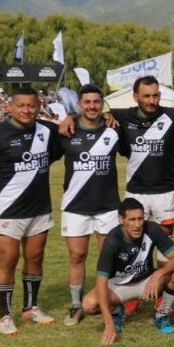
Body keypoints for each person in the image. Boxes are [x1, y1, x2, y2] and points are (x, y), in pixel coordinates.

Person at [0, 86, 63, 335]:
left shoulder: (47, 130)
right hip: (8, 209)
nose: (26, 110)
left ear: (38, 107)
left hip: (39, 208)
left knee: (35, 258)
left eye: (31, 105)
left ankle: (30, 308)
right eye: (21, 105)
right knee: (8, 259)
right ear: (9, 107)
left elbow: (73, 126)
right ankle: (4, 316)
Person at [58, 84, 127, 326]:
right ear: (79, 105)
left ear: (102, 104)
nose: (92, 106)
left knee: (108, 256)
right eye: (86, 102)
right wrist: (70, 117)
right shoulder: (67, 131)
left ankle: (113, 303)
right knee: (77, 255)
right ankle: (76, 305)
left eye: (96, 102)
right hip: (75, 205)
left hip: (108, 206)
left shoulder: (114, 129)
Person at [84, 198, 174, 344]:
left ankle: (162, 315)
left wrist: (158, 274)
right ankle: (117, 312)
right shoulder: (112, 240)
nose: (137, 225)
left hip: (146, 282)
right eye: (132, 220)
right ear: (120, 220)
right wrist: (108, 323)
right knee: (89, 304)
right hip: (118, 286)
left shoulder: (152, 229)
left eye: (140, 219)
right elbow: (101, 283)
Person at [107, 76, 174, 237]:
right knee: (133, 242)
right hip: (135, 190)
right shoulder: (123, 116)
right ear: (135, 97)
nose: (151, 100)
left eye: (155, 96)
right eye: (146, 96)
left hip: (165, 191)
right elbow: (94, 113)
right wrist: (106, 115)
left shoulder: (173, 116)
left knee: (165, 242)